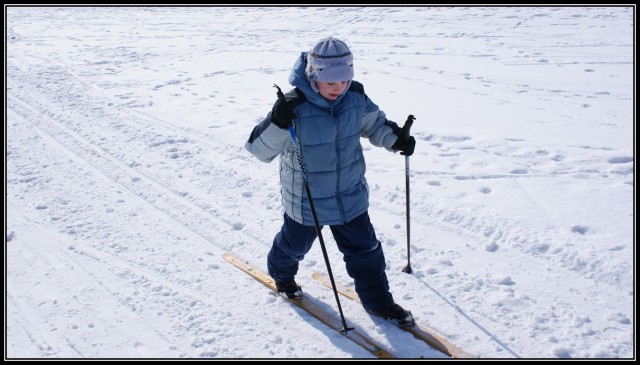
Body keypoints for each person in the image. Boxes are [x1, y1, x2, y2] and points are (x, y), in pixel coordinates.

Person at [245, 37, 416, 326]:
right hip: (306, 201)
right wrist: (277, 121)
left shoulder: (355, 98)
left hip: (350, 196)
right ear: (313, 77)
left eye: (344, 81)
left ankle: (379, 302)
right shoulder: (293, 107)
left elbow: (375, 125)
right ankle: (282, 276)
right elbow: (259, 150)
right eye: (331, 83)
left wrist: (396, 139)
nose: (339, 89)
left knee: (367, 251)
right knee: (293, 247)